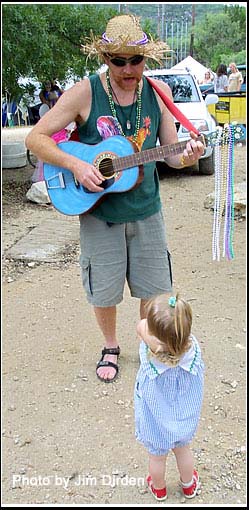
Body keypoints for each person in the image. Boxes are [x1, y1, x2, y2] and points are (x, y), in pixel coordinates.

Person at [25, 14, 204, 383]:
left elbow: (171, 153)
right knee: (104, 288)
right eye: (117, 60)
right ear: (105, 58)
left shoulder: (159, 95)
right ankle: (110, 346)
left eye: (134, 60)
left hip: (146, 209)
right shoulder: (85, 92)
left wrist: (188, 156)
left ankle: (146, 344)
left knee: (153, 287)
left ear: (145, 59)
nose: (127, 68)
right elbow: (36, 138)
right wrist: (75, 165)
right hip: (99, 213)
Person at [134, 293, 204, 501]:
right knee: (183, 451)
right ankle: (189, 485)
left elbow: (141, 327)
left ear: (154, 336)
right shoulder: (194, 350)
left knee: (157, 457)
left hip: (155, 421)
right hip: (184, 418)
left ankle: (159, 489)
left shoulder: (149, 354)